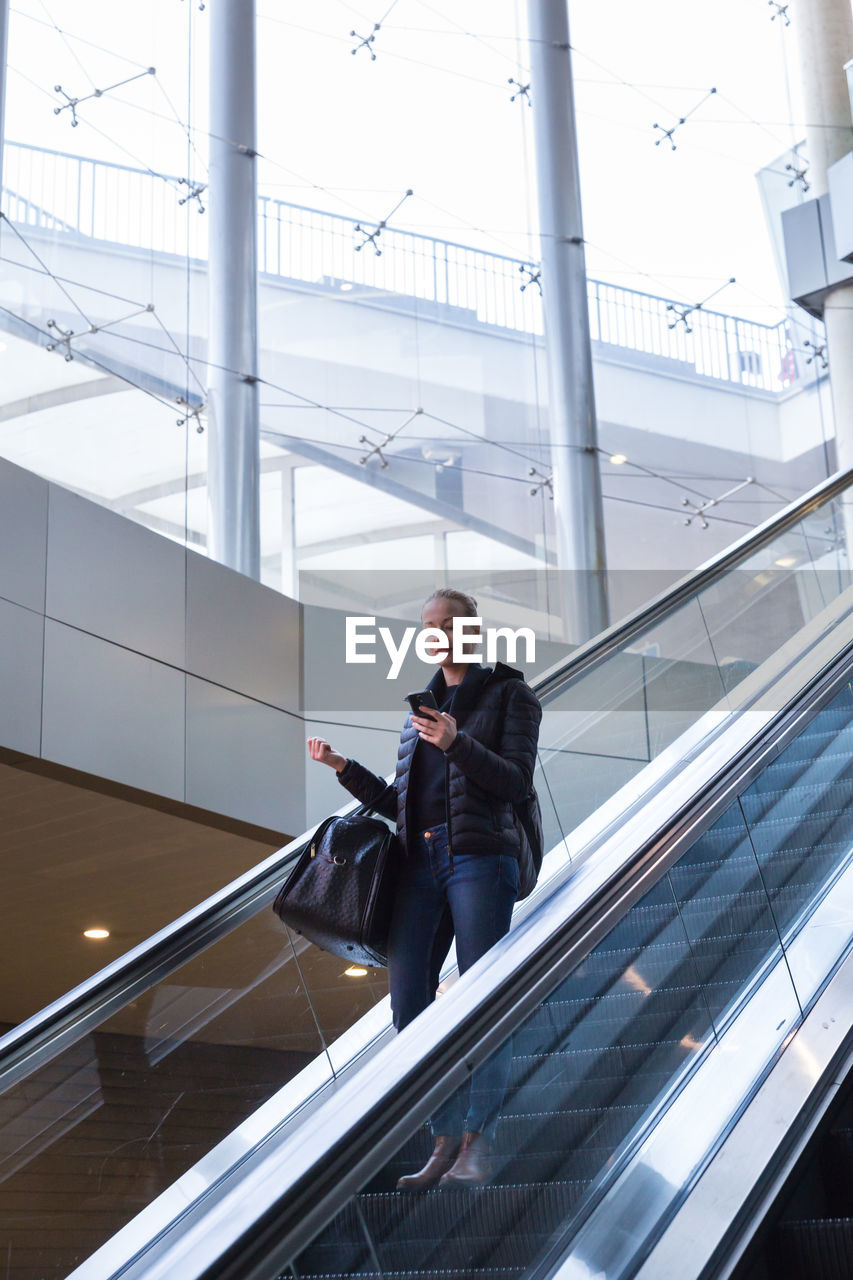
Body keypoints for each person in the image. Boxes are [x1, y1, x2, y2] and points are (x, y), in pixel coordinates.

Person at [307, 587, 542, 1190]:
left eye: (447, 623)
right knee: (409, 1003)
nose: (435, 633)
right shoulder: (418, 715)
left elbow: (515, 783)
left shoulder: (509, 695)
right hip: (420, 865)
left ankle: (478, 1141)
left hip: (479, 860)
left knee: (481, 996)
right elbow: (399, 806)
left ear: (472, 630)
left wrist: (457, 742)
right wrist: (343, 768)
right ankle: (442, 1139)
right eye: (427, 626)